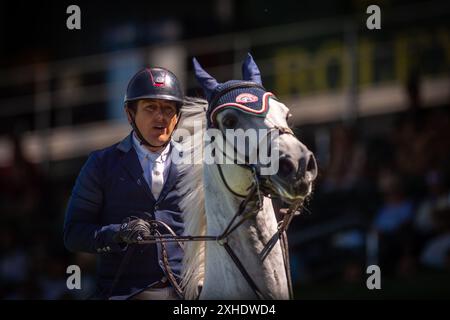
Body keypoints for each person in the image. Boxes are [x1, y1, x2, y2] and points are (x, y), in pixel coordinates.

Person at [63, 67, 186, 300]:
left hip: (186, 294)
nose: (161, 117)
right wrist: (118, 234)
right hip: (125, 292)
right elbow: (73, 234)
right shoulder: (101, 164)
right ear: (130, 114)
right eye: (150, 108)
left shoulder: (195, 166)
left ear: (177, 117)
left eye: (168, 109)